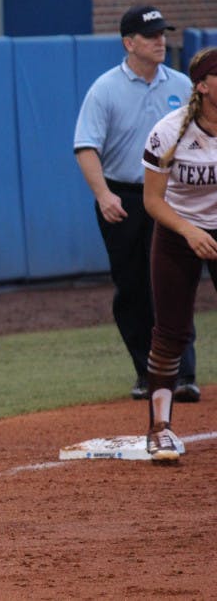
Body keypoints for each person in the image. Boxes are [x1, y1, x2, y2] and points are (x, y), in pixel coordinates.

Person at [73, 5, 199, 402]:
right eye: (151, 35)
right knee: (132, 288)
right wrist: (103, 195)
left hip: (171, 197)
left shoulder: (182, 84)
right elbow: (86, 146)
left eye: (163, 33)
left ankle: (182, 375)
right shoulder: (105, 89)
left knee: (175, 283)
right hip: (124, 198)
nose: (161, 40)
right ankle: (147, 373)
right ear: (129, 43)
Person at [141, 46, 217, 462]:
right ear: (203, 86)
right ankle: (159, 429)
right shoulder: (169, 132)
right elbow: (153, 201)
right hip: (177, 231)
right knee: (171, 332)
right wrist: (189, 231)